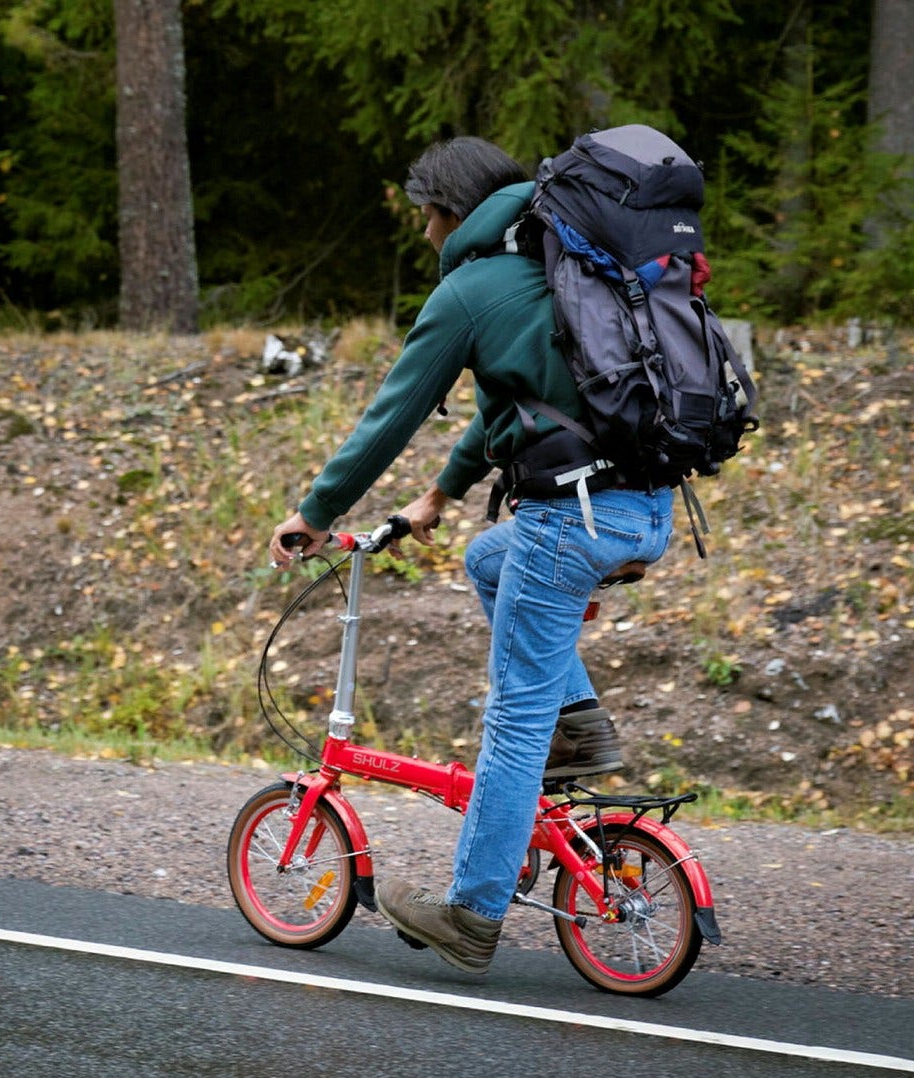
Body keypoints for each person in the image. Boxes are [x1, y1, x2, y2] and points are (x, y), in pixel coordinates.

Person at [265, 137, 675, 975]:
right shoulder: (568, 272)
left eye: (425, 215)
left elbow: (390, 417)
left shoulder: (470, 290)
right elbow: (518, 412)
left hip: (574, 521)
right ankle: (584, 724)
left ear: (451, 212)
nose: (423, 233)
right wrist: (442, 496)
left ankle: (473, 911)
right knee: (489, 560)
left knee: (514, 723)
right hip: (650, 511)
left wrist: (314, 513)